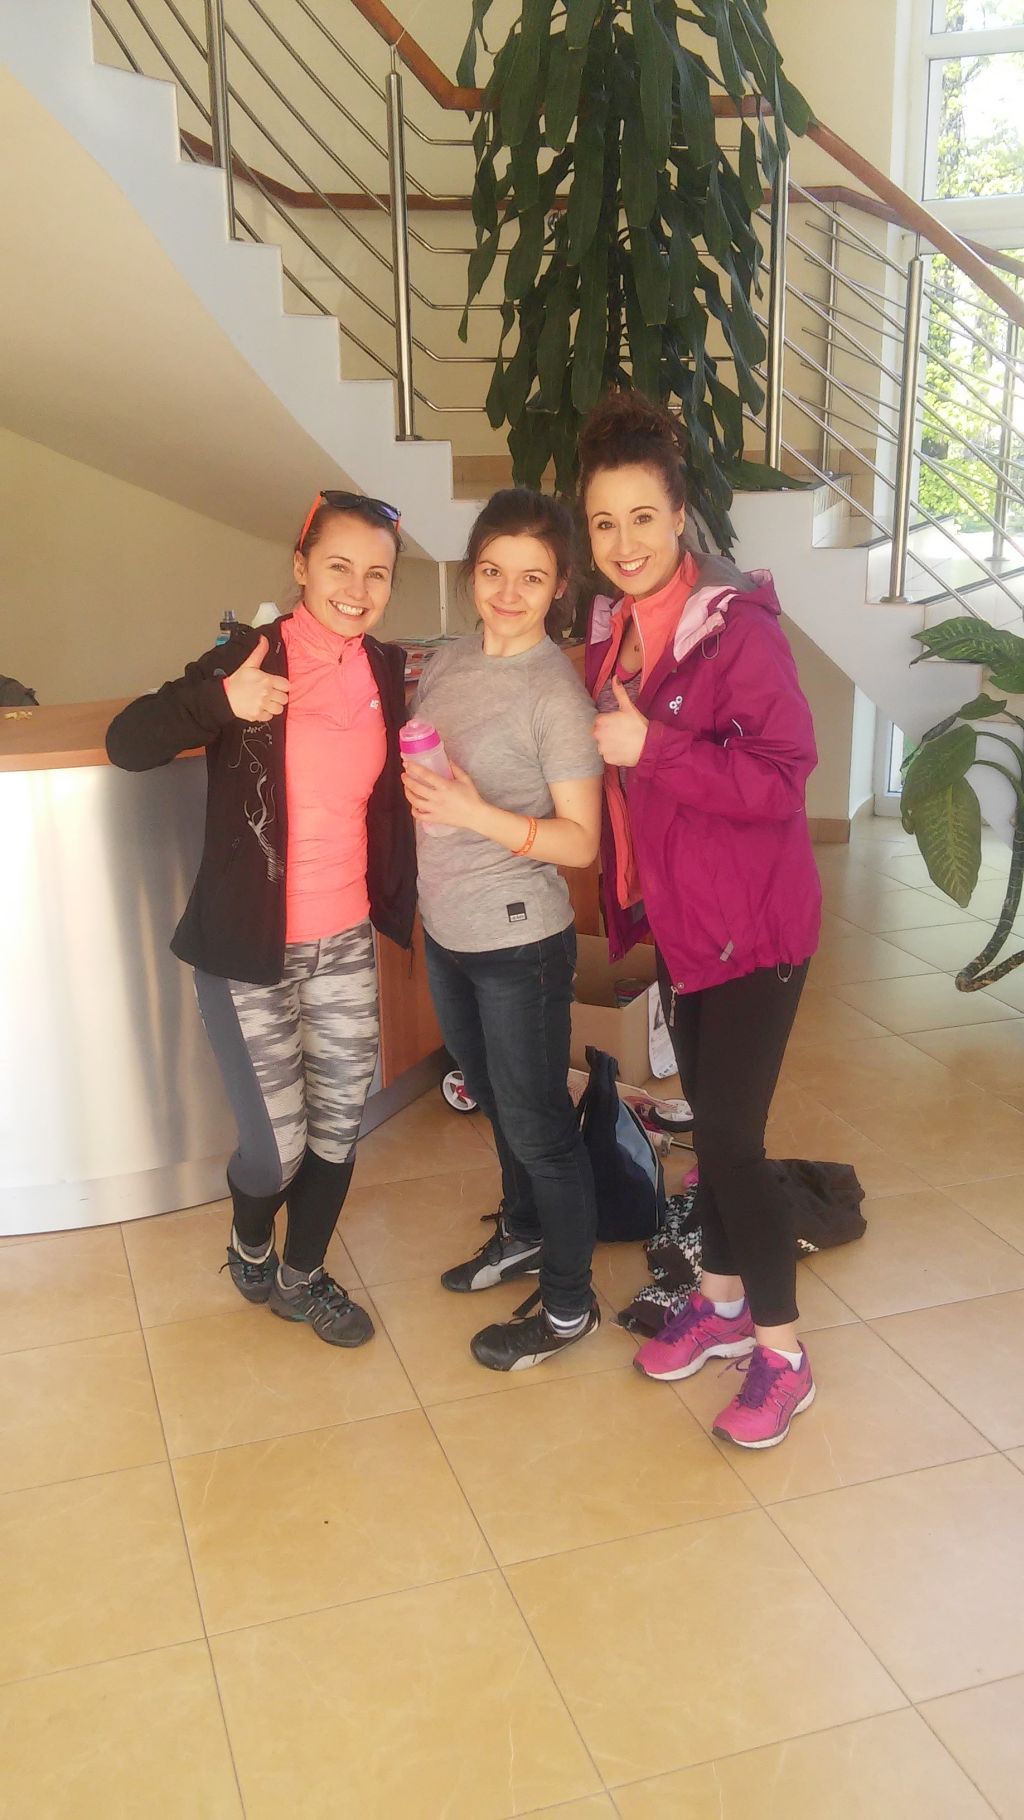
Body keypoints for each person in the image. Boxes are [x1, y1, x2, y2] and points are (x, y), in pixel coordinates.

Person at [106, 491, 415, 1347]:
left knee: (339, 1127)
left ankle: (299, 1278)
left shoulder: (383, 668)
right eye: (339, 566)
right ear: (301, 565)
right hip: (249, 947)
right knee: (277, 1147)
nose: (357, 589)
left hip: (345, 937)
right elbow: (128, 742)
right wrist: (221, 701)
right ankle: (249, 1242)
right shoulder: (248, 655)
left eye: (378, 574)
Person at [580, 392, 822, 1448]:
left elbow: (782, 776)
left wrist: (655, 750)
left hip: (757, 930)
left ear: (680, 515)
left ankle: (784, 1355)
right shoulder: (617, 631)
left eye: (643, 516)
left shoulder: (736, 630)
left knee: (727, 1139)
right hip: (688, 929)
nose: (624, 541)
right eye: (604, 522)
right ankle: (721, 1305)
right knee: (714, 1128)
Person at [402, 489, 604, 1371]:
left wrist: (474, 812)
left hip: (520, 944)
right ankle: (523, 1231)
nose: (508, 594)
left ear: (559, 587)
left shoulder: (555, 695)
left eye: (531, 578)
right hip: (448, 927)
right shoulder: (447, 663)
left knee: (541, 1128)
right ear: (472, 572)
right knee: (494, 1099)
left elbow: (581, 842)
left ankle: (568, 1307)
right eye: (493, 572)